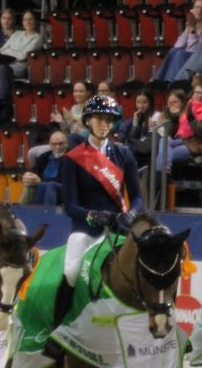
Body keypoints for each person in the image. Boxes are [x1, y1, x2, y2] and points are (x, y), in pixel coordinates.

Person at [49, 95, 143, 344]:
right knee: (70, 271)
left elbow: (137, 198)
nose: (104, 124)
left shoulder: (124, 154)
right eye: (100, 119)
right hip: (86, 228)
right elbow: (70, 205)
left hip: (117, 226)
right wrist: (92, 215)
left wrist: (131, 214)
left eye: (109, 120)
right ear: (88, 121)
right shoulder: (73, 157)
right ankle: (56, 332)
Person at [154, 0, 202, 83]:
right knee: (174, 51)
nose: (199, 10)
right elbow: (178, 45)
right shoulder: (191, 24)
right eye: (197, 7)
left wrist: (193, 32)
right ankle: (159, 79)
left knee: (180, 53)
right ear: (193, 10)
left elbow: (196, 50)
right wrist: (189, 29)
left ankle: (171, 82)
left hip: (199, 59)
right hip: (188, 55)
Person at [22, 130, 69, 205]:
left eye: (61, 144)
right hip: (43, 185)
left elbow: (66, 181)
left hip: (63, 189)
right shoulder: (44, 156)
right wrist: (29, 175)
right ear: (50, 145)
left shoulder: (71, 158)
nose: (58, 147)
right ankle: (24, 211)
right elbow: (35, 170)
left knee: (49, 185)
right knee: (30, 182)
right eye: (54, 144)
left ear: (66, 144)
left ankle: (47, 212)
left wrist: (40, 181)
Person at [0, 9, 42, 79]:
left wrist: (9, 50)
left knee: (1, 69)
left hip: (21, 66)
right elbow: (1, 50)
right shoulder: (17, 33)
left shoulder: (37, 38)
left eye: (30, 19)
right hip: (7, 62)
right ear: (22, 22)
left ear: (35, 21)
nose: (28, 22)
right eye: (25, 20)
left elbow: (22, 56)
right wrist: (17, 52)